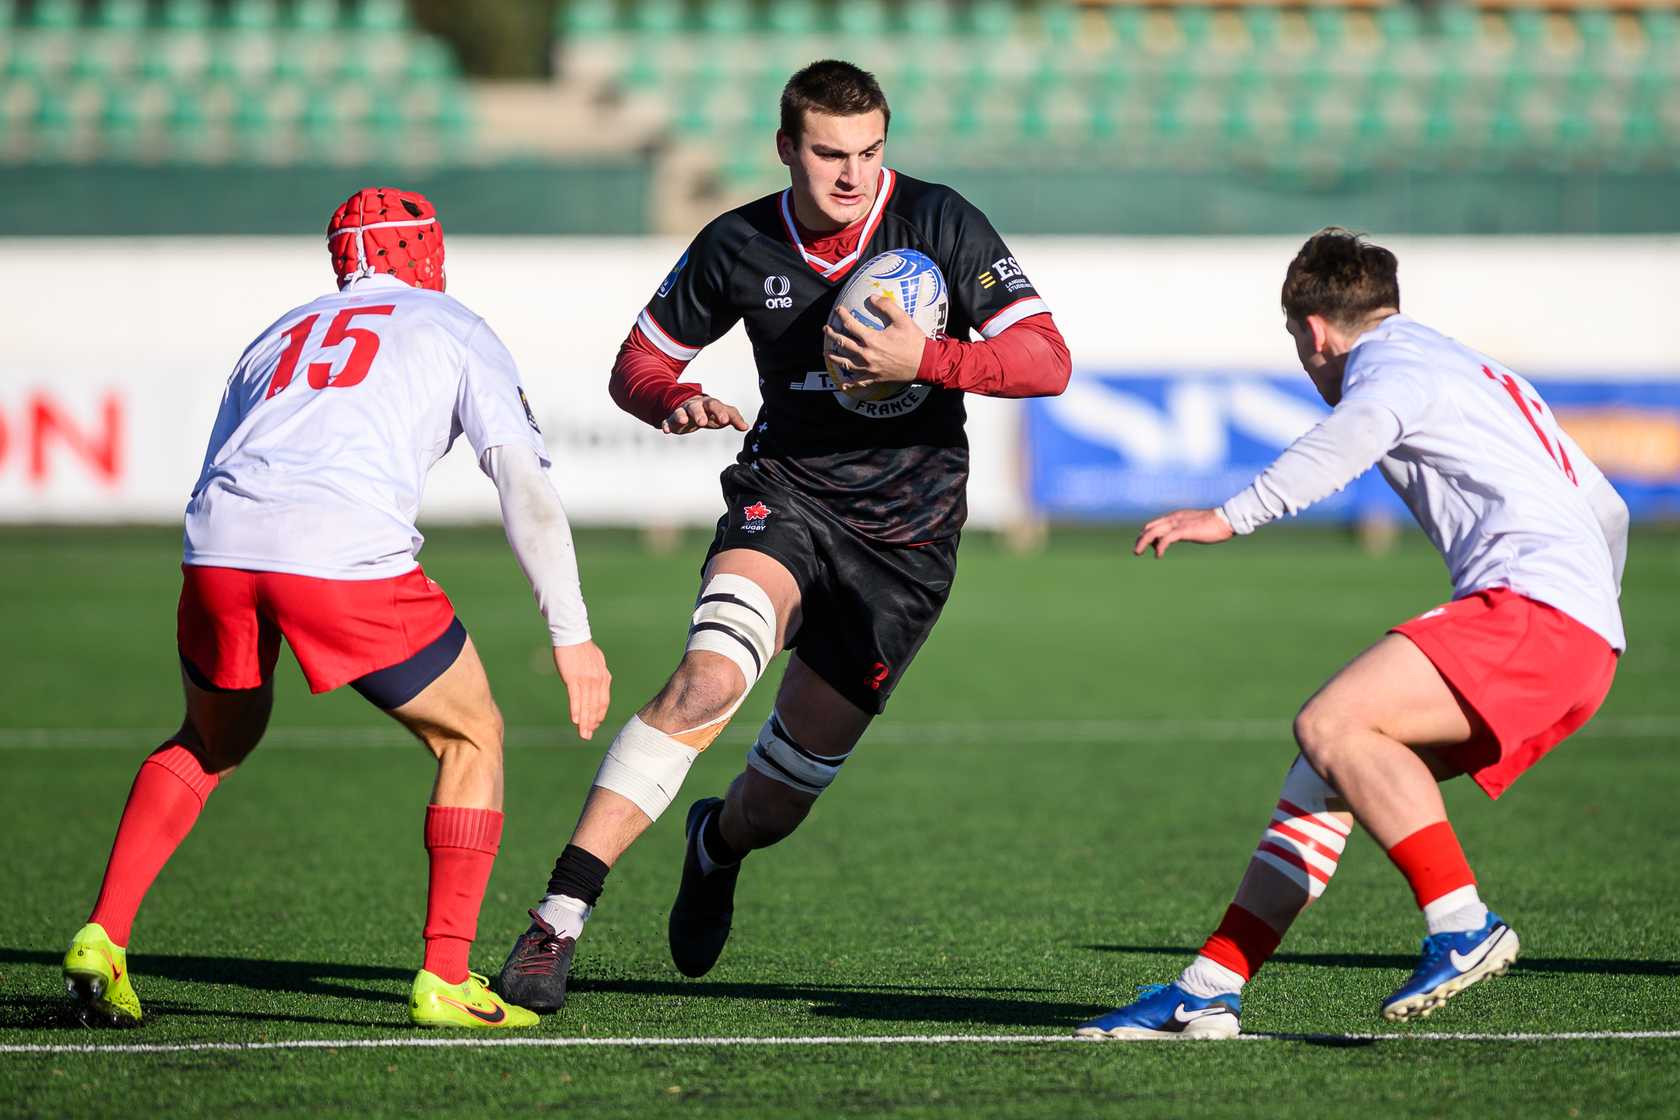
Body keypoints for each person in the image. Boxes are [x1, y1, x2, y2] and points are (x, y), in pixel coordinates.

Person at [496, 60, 1071, 1012]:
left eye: (870, 152)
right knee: (708, 677)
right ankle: (558, 918)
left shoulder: (941, 222)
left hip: (909, 542)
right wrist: (672, 398)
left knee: (779, 801)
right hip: (787, 497)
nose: (852, 175)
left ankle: (715, 845)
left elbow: (1045, 360)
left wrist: (923, 357)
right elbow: (636, 364)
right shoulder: (738, 242)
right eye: (829, 153)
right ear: (785, 148)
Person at [61, 187, 611, 1030]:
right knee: (471, 735)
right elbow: (523, 480)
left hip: (219, 548)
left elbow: (217, 466)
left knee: (211, 738)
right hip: (342, 558)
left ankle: (103, 934)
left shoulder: (277, 332)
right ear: (424, 251)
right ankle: (445, 977)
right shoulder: (454, 325)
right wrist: (572, 635)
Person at [1077, 228, 1627, 1040]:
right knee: (1325, 770)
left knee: (1332, 723)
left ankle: (1462, 924)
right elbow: (1607, 505)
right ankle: (1209, 987)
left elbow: (1354, 434)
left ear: (1314, 331)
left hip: (1536, 612)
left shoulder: (1388, 369)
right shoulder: (1468, 366)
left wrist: (1230, 516)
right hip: (1576, 631)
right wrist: (1592, 617)